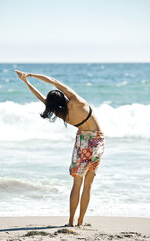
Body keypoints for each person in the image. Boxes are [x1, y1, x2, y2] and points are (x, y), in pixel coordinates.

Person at [15, 70, 105, 226]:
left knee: (77, 184)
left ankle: (71, 222)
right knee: (88, 184)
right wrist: (29, 75)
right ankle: (81, 222)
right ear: (63, 97)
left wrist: (26, 83)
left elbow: (41, 98)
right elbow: (52, 80)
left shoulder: (61, 113)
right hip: (98, 141)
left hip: (83, 142)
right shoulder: (76, 101)